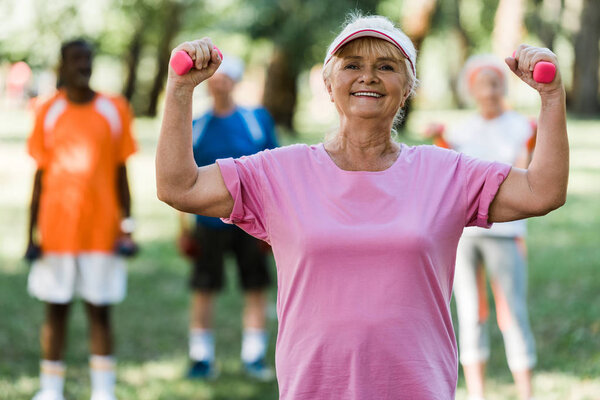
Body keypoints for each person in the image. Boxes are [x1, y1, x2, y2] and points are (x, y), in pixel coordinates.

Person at [155, 14, 568, 400]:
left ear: (407, 87)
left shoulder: (446, 172)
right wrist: (180, 89)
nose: (368, 75)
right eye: (352, 64)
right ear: (329, 83)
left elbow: (542, 191)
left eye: (387, 66)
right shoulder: (279, 172)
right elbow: (179, 185)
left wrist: (551, 96)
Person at [25, 39, 137, 400]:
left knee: (100, 311)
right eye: (76, 59)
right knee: (55, 310)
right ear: (62, 65)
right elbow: (39, 178)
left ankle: (103, 392)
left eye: (88, 58)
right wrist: (31, 235)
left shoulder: (114, 108)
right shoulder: (47, 111)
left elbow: (122, 173)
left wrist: (128, 227)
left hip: (102, 230)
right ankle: (50, 389)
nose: (83, 65)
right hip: (57, 231)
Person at [424, 55, 538, 400]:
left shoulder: (522, 126)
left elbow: (526, 177)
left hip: (506, 233)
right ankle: (476, 394)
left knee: (512, 312)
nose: (489, 91)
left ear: (503, 86)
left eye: (495, 83)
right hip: (465, 235)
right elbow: (450, 177)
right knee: (470, 314)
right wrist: (440, 138)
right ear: (471, 90)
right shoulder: (461, 131)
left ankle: (527, 392)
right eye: (482, 84)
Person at [178, 54, 279, 380]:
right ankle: (201, 357)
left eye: (226, 77)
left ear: (235, 81)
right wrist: (183, 229)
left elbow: (275, 171)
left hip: (253, 223)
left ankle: (253, 357)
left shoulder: (256, 120)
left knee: (255, 286)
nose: (219, 83)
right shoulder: (197, 126)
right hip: (207, 223)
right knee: (204, 288)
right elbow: (182, 180)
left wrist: (274, 228)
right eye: (215, 78)